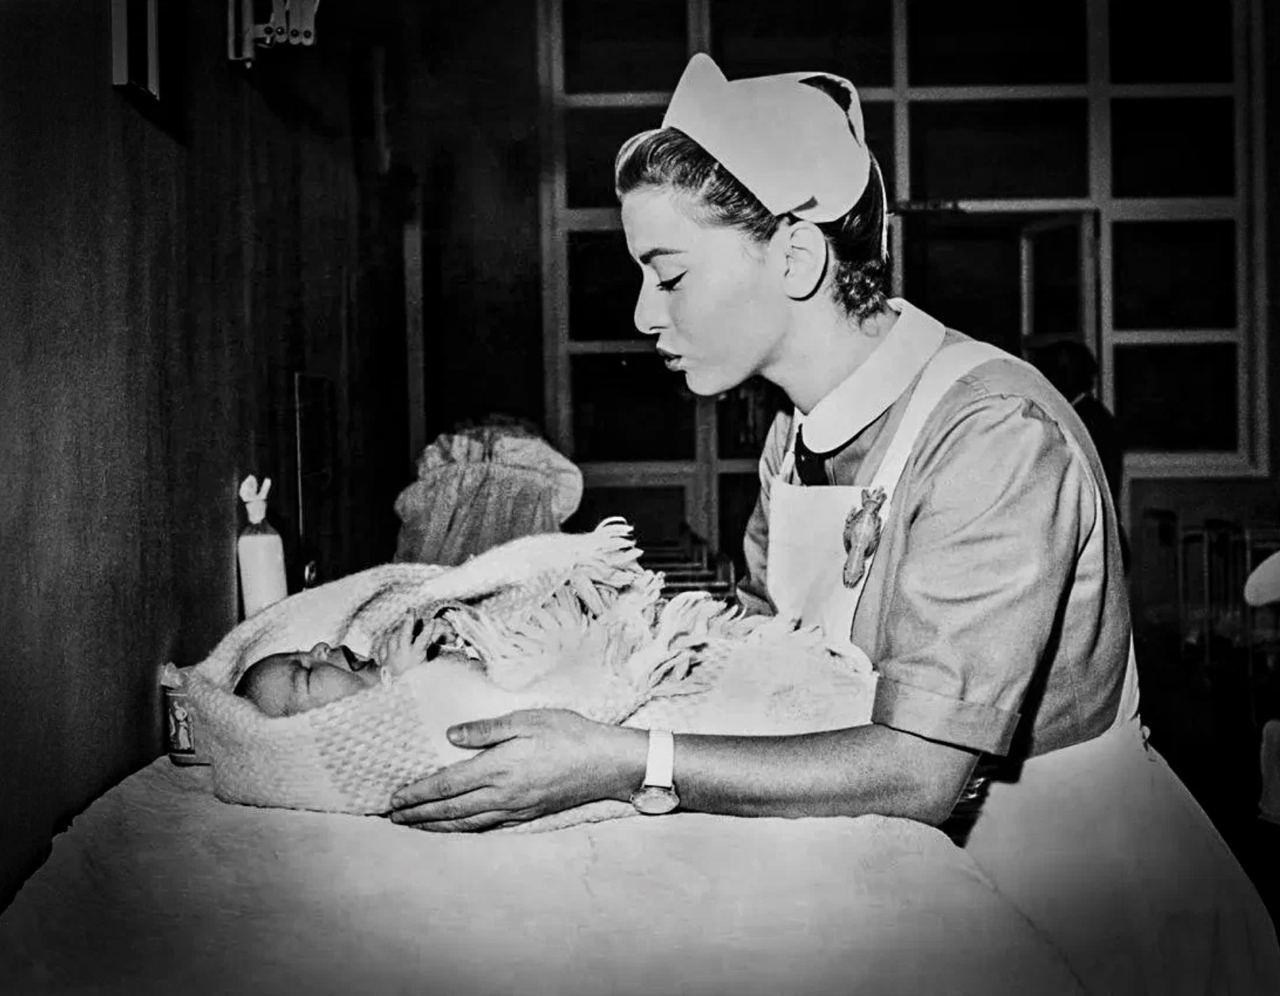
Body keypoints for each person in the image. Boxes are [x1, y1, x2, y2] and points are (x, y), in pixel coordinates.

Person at [390, 53, 1280, 990]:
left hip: (1081, 899)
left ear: (797, 257)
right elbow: (777, 664)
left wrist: (625, 761)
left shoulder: (994, 435)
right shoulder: (794, 438)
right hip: (915, 878)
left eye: (669, 274)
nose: (645, 314)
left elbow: (920, 771)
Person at [235, 614, 445, 717]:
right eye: (306, 674)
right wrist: (403, 684)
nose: (320, 648)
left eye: (305, 653)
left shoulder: (388, 651)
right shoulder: (385, 728)